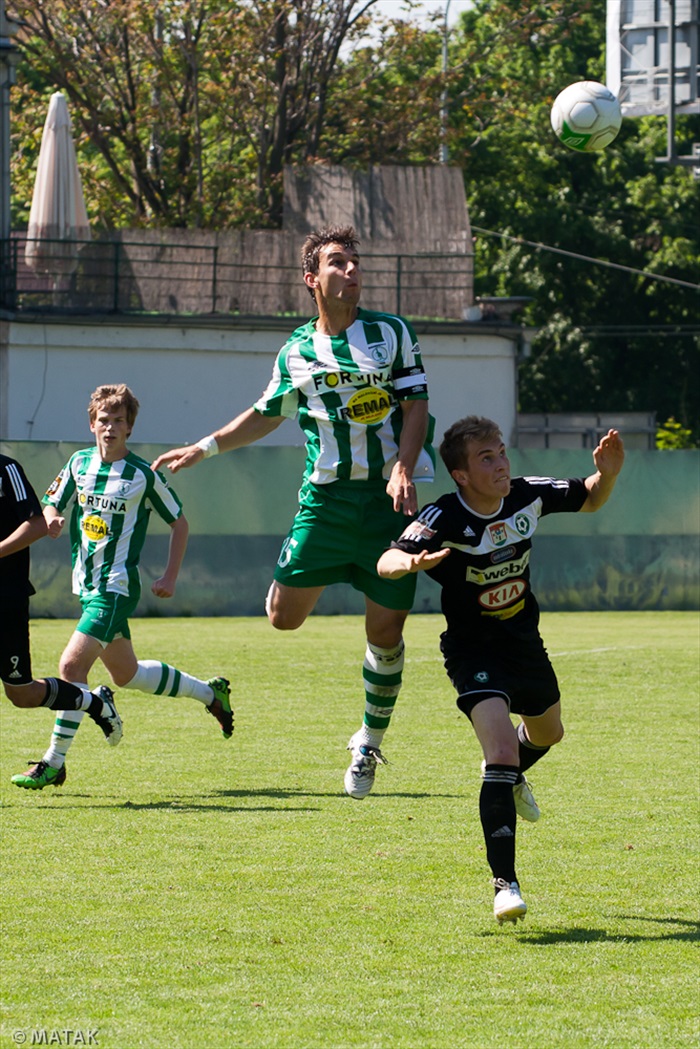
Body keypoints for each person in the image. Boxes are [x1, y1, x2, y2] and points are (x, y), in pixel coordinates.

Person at [153, 225, 435, 799]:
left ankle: (368, 741)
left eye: (355, 262)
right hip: (325, 504)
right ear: (313, 279)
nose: (351, 270)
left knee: (386, 633)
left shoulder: (392, 334)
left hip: (387, 505)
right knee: (283, 618)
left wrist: (404, 467)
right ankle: (298, 573)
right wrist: (203, 447)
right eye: (338, 262)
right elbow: (264, 413)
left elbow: (416, 406)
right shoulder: (297, 351)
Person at [377, 415, 624, 923]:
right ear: (462, 474)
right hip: (473, 651)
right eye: (486, 458)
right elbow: (387, 559)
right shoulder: (443, 516)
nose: (501, 464)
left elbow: (592, 496)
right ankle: (504, 884)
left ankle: (508, 777)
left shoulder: (527, 494)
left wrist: (608, 474)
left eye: (502, 452)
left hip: (524, 644)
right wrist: (411, 564)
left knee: (549, 734)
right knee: (501, 750)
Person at [11, 384, 233, 791]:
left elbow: (179, 523)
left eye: (118, 421)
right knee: (127, 673)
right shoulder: (78, 464)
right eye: (103, 420)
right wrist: (54, 519)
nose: (109, 427)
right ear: (91, 423)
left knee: (71, 669)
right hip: (88, 586)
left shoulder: (142, 475)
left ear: (130, 428)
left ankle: (53, 762)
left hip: (115, 588)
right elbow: (50, 505)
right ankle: (210, 694)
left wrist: (169, 576)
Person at [1, 452, 122, 789]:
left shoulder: (7, 469)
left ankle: (91, 702)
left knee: (21, 695)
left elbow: (37, 523)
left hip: (6, 598)